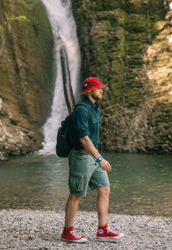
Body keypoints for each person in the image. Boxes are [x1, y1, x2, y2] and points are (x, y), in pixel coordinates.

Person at [61, 76, 124, 243]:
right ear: (90, 90)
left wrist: (96, 157)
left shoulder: (95, 108)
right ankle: (67, 231)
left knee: (104, 189)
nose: (101, 90)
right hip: (81, 157)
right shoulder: (81, 110)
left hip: (93, 156)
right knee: (76, 194)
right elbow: (84, 138)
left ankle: (103, 229)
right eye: (98, 88)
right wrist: (100, 158)